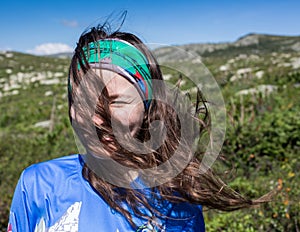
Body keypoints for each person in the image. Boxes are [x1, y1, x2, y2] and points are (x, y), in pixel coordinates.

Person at [8, 20, 272, 232]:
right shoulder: (38, 184)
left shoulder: (177, 202)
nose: (98, 119)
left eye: (118, 102)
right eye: (83, 102)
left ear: (148, 107)